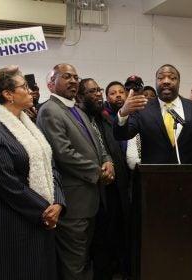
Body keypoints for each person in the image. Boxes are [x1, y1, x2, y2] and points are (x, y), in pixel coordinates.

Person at [37, 63, 115, 280]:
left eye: (75, 77)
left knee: (84, 257)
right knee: (74, 262)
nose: (73, 81)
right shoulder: (50, 110)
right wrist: (97, 172)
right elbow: (64, 153)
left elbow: (98, 143)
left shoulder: (76, 109)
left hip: (91, 199)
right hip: (74, 202)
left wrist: (108, 161)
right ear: (51, 83)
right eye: (66, 77)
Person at [0, 67, 65, 280]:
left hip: (44, 217)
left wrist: (58, 203)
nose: (31, 91)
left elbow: (50, 165)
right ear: (8, 94)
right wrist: (45, 209)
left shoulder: (29, 125)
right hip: (14, 223)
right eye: (24, 87)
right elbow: (8, 184)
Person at [76, 78, 131, 280]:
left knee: (118, 230)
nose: (98, 94)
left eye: (99, 90)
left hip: (117, 186)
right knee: (100, 239)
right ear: (80, 97)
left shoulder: (107, 118)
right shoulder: (80, 120)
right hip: (94, 188)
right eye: (93, 91)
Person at [114, 64, 192, 164]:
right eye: (161, 78)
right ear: (156, 82)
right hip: (152, 177)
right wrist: (123, 113)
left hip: (187, 177)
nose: (166, 81)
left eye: (172, 78)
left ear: (179, 83)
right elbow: (122, 135)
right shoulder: (142, 108)